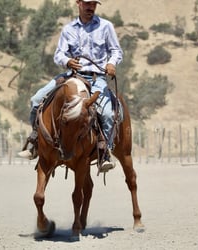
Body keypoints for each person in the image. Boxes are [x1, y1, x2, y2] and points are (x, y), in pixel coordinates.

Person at [19, 0, 123, 172]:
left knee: (107, 112)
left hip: (97, 78)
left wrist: (112, 63)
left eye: (94, 4)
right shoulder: (68, 29)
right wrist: (67, 61)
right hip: (71, 76)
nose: (90, 7)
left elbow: (116, 51)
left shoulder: (106, 26)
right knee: (36, 99)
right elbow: (59, 53)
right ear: (78, 3)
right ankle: (35, 139)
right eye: (87, 3)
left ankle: (104, 151)